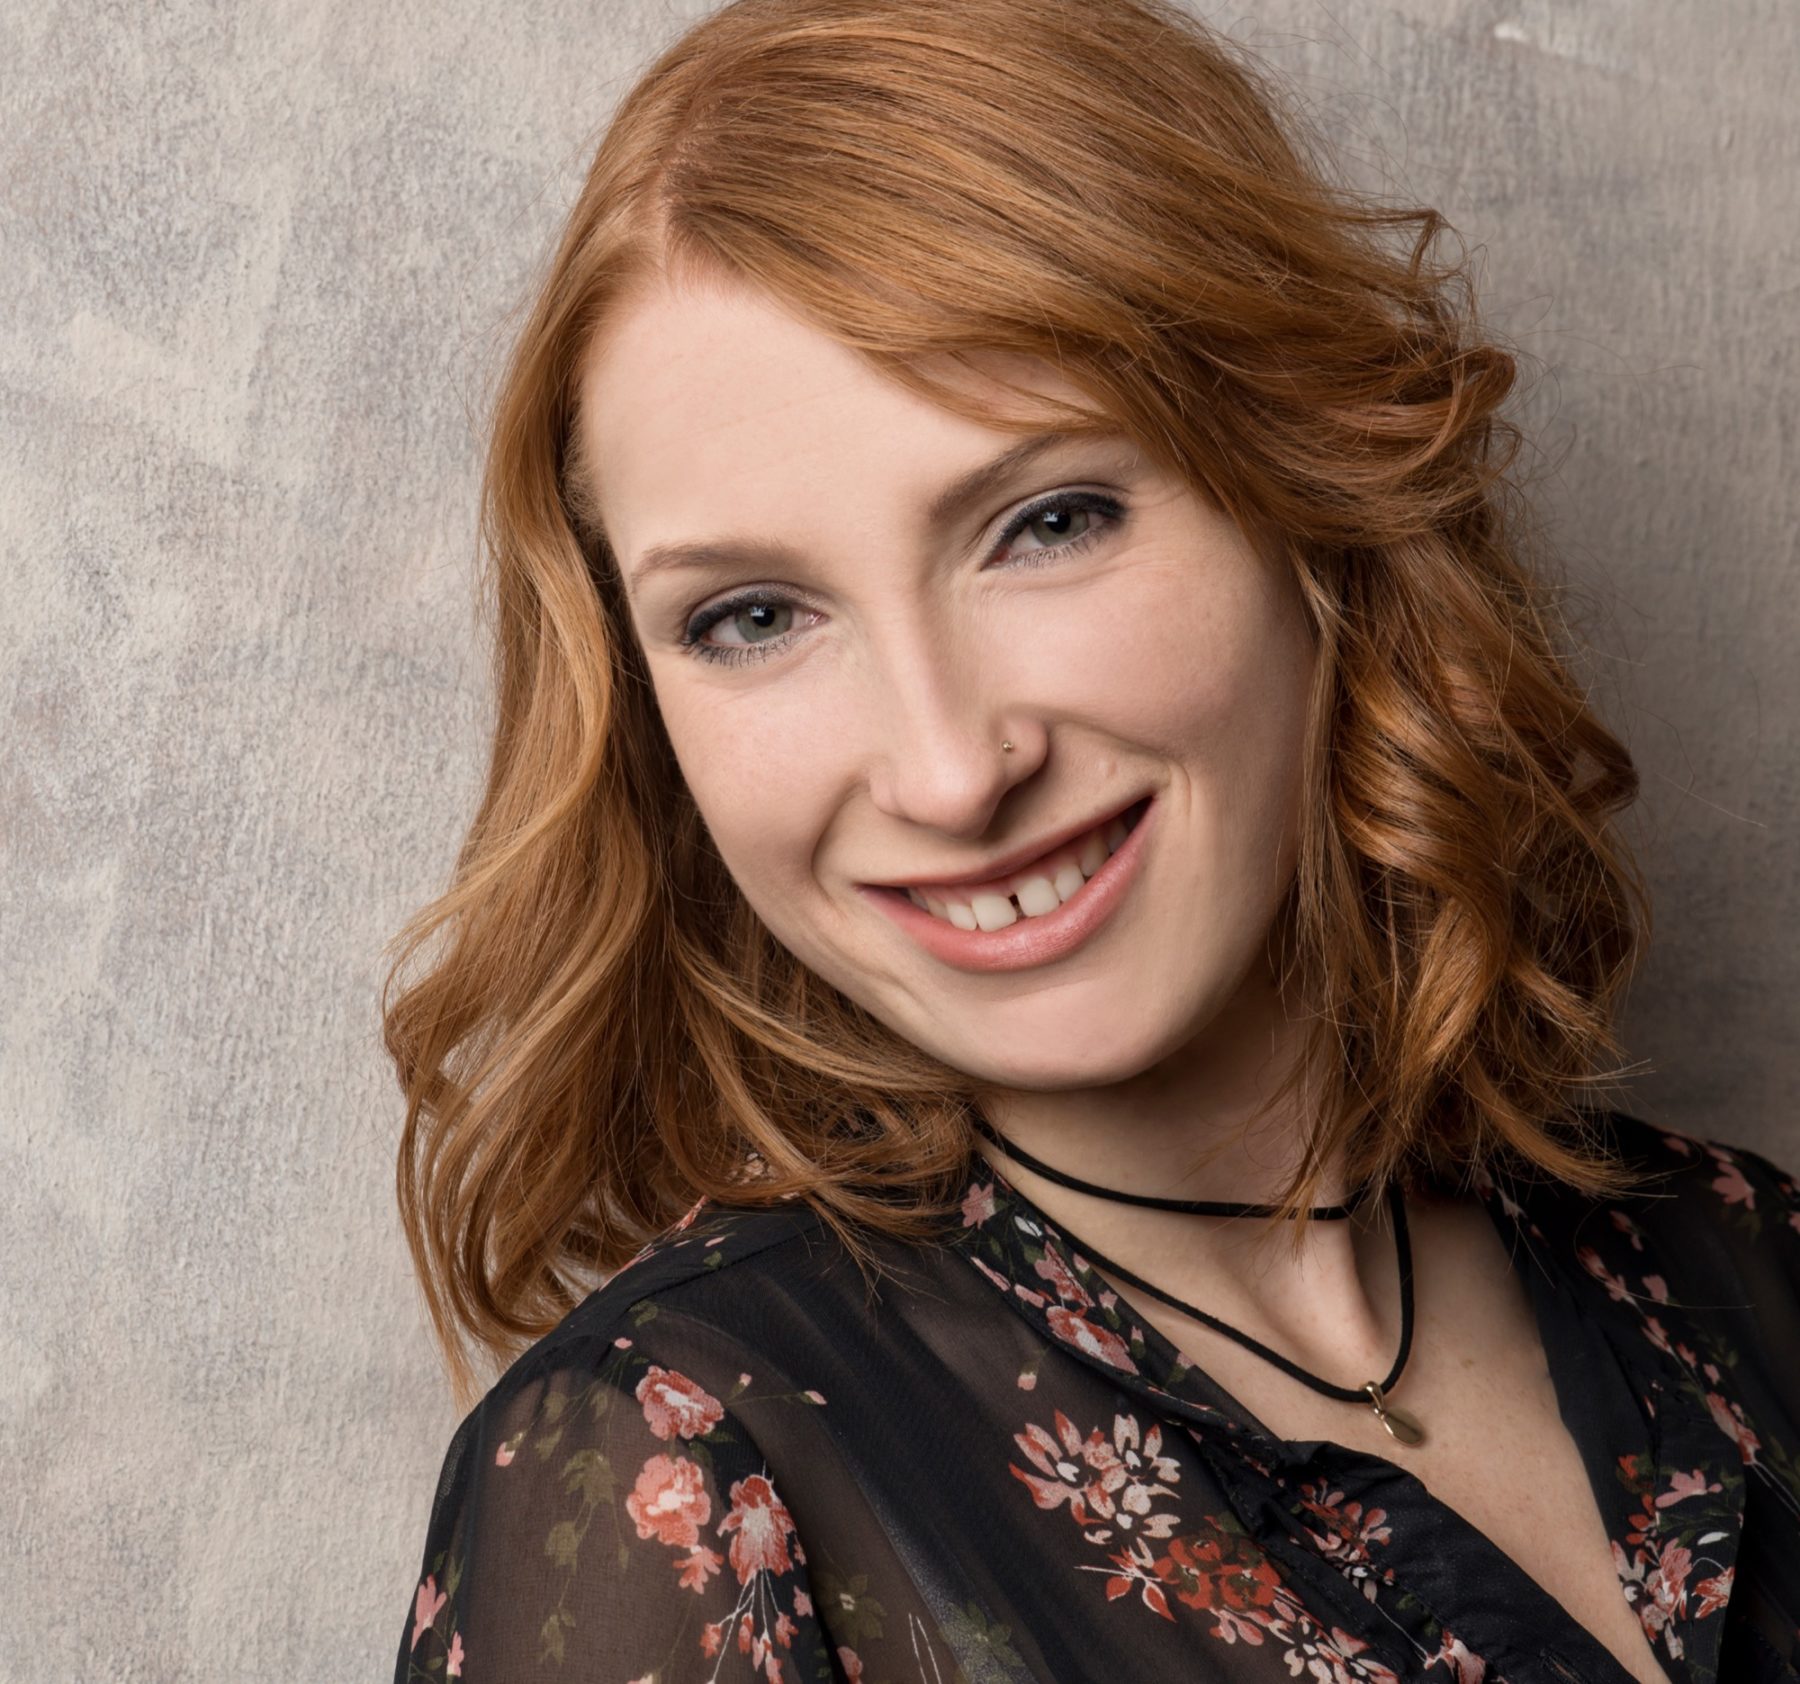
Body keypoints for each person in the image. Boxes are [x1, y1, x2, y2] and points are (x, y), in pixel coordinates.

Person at [381, 1, 1800, 1679]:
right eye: (753, 617)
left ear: (1308, 496)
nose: (947, 772)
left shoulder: (1754, 1266)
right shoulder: (676, 1465)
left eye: (1047, 523)